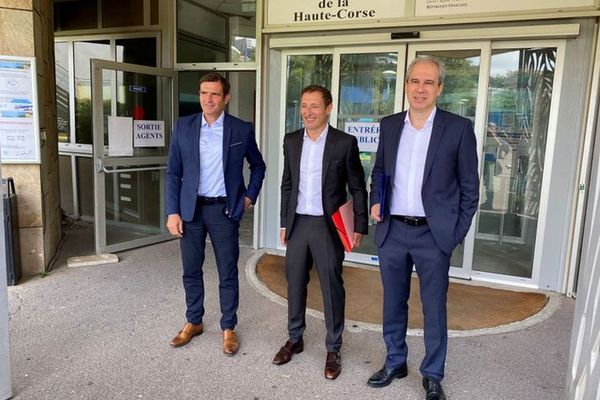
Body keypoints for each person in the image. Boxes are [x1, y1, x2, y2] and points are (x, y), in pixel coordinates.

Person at [367, 57, 479, 400]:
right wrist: (376, 199)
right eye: (415, 81)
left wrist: (453, 233)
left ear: (439, 89)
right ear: (406, 84)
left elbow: (469, 189)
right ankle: (395, 361)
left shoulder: (457, 128)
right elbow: (379, 172)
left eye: (428, 83)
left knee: (433, 306)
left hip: (434, 235)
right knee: (393, 303)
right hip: (393, 231)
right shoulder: (388, 126)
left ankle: (432, 374)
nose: (420, 88)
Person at [165, 72, 266, 354]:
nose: (207, 99)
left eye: (214, 94)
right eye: (203, 93)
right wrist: (172, 211)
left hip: (224, 210)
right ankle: (193, 321)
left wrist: (248, 198)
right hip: (190, 211)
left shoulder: (240, 129)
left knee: (227, 272)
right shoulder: (184, 126)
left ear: (226, 98)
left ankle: (228, 327)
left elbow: (258, 166)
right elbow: (173, 172)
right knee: (191, 269)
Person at [274, 85, 368, 380]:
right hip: (299, 223)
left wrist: (360, 225)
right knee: (294, 282)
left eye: (314, 106)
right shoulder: (291, 141)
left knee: (331, 285)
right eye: (303, 106)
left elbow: (356, 186)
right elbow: (287, 183)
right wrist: (283, 222)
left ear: (328, 108)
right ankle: (295, 338)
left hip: (328, 226)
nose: (308, 112)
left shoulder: (344, 143)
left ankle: (333, 347)